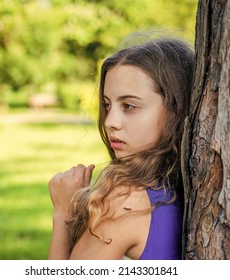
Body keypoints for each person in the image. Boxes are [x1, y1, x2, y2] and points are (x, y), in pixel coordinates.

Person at [48, 36, 194, 260]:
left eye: (129, 106)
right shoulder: (182, 186)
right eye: (108, 105)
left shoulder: (126, 201)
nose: (109, 121)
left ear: (174, 110)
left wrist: (63, 212)